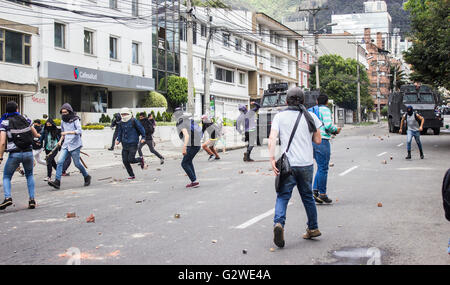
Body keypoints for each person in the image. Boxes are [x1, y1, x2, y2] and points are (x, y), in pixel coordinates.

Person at [268, 87, 323, 248]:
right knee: (307, 197)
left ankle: (279, 224)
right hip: (306, 163)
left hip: (288, 165)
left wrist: (272, 158)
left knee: (283, 196)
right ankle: (313, 228)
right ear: (303, 101)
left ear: (286, 100)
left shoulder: (280, 116)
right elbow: (318, 140)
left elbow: (272, 139)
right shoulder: (311, 116)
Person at [0, 101, 41, 210]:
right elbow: (35, 134)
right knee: (29, 175)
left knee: (7, 176)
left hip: (14, 154)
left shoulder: (5, 122)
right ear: (17, 109)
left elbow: (2, 142)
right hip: (28, 152)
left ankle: (8, 197)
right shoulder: (25, 119)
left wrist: (0, 157)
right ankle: (32, 200)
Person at [48, 103, 91, 190]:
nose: (64, 114)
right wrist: (60, 141)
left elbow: (79, 130)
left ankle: (86, 176)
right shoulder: (63, 121)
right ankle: (57, 181)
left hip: (75, 145)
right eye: (62, 112)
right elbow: (62, 133)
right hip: (66, 144)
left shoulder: (75, 119)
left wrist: (67, 133)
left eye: (65, 112)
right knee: (60, 162)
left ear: (69, 111)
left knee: (77, 164)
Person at [309, 94, 341, 204]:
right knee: (323, 168)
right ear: (327, 102)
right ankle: (322, 194)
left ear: (317, 102)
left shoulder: (312, 111)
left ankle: (315, 191)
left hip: (312, 140)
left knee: (320, 167)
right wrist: (336, 130)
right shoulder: (325, 110)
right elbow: (328, 126)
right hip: (322, 141)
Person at [175, 108, 203, 188]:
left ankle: (194, 181)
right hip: (196, 144)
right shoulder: (187, 119)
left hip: (192, 145)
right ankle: (194, 180)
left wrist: (184, 148)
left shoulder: (180, 122)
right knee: (189, 161)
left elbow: (186, 135)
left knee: (184, 163)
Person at [115, 108, 146, 180]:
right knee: (125, 160)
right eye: (122, 114)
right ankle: (131, 175)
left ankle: (140, 159)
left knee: (131, 159)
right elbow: (120, 132)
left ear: (129, 114)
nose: (123, 116)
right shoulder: (121, 123)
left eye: (125, 114)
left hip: (133, 143)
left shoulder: (133, 120)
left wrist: (143, 137)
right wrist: (118, 140)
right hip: (124, 144)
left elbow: (141, 129)